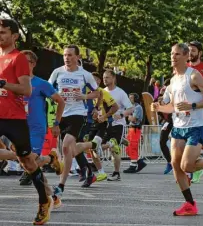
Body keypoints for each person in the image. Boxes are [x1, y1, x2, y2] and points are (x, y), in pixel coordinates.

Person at [151, 43, 203, 216]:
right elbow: (172, 107)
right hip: (178, 127)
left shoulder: (193, 76)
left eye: (177, 54)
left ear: (186, 56)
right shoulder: (173, 80)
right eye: (172, 53)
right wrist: (158, 107)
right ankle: (189, 204)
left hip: (196, 127)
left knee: (187, 165)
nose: (173, 56)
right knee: (175, 165)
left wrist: (192, 105)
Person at [0, 19, 56, 224]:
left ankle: (44, 201)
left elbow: (26, 90)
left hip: (15, 119)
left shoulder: (18, 58)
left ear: (14, 36)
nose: (0, 35)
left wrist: (3, 84)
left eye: (3, 32)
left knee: (28, 163)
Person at [49, 45, 103, 200]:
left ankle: (60, 186)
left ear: (78, 57)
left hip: (78, 114)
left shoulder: (85, 74)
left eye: (70, 55)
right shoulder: (57, 72)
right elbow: (48, 89)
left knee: (66, 147)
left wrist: (85, 97)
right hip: (61, 115)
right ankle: (89, 161)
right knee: (69, 150)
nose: (67, 58)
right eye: (65, 55)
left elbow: (97, 93)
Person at [18, 50, 64, 186]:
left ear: (33, 64)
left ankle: (34, 169)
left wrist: (56, 123)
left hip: (36, 127)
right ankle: (51, 158)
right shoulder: (14, 83)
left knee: (31, 158)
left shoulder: (41, 84)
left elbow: (60, 101)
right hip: (18, 126)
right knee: (21, 156)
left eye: (25, 62)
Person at [102, 70, 136, 178]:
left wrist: (121, 115)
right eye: (104, 78)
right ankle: (121, 140)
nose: (105, 80)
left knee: (114, 148)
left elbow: (130, 109)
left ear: (113, 78)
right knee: (99, 146)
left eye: (107, 77)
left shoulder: (120, 93)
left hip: (118, 124)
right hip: (105, 124)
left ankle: (116, 173)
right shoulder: (102, 92)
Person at [125, 93, 145, 173]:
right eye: (129, 98)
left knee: (133, 147)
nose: (129, 99)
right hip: (131, 129)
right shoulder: (131, 107)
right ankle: (139, 161)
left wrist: (129, 117)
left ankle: (133, 165)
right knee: (128, 148)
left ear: (136, 99)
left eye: (131, 98)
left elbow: (133, 119)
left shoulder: (138, 107)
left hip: (135, 128)